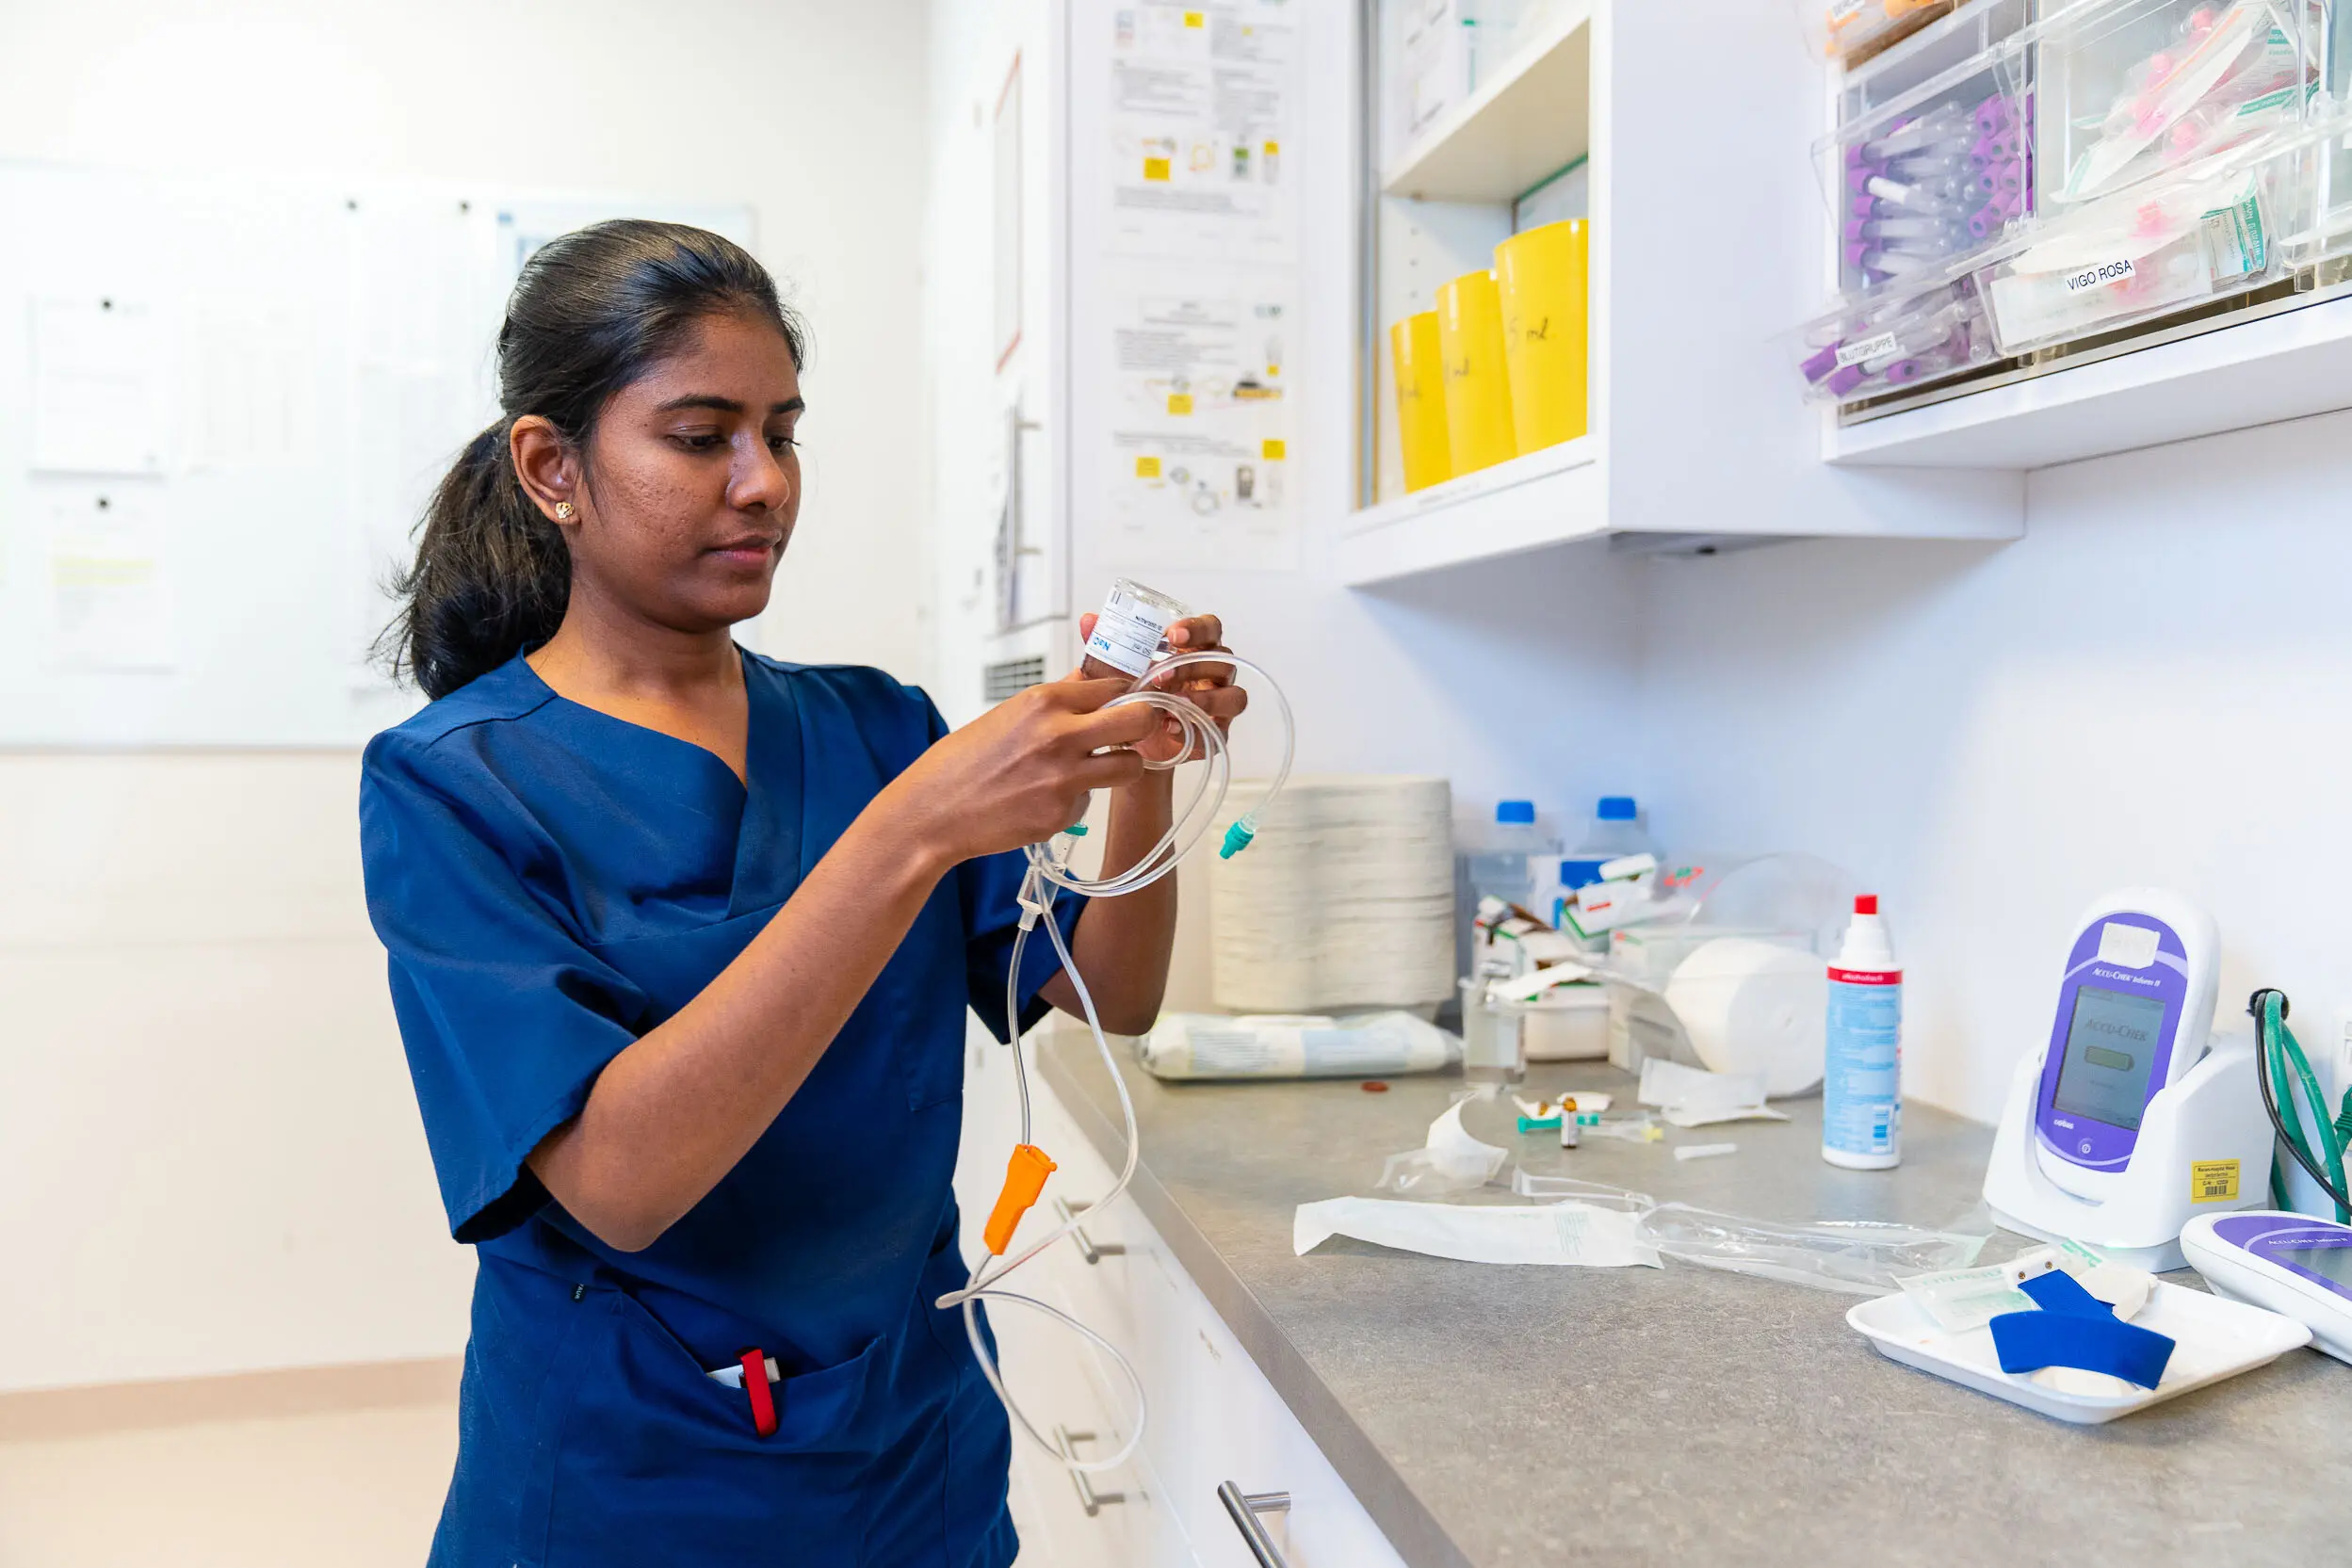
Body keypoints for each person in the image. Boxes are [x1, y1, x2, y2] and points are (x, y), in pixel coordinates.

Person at [359, 219, 1242, 1566]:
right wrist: (904, 840)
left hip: (908, 1448)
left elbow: (1110, 994)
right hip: (631, 1479)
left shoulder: (877, 728)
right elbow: (619, 1181)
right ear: (554, 469)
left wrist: (1141, 759)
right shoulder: (455, 785)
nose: (762, 482)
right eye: (701, 436)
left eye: (782, 432)